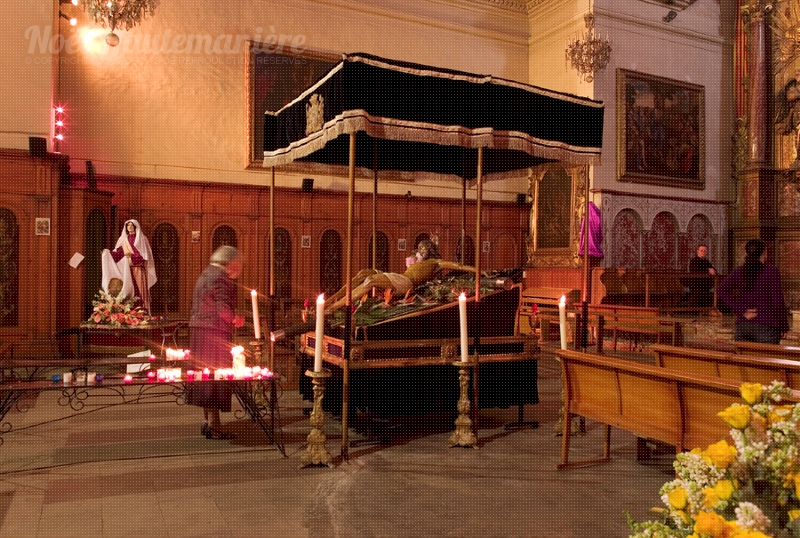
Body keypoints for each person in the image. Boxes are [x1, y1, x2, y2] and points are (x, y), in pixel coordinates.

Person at [186, 245, 245, 440]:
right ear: (231, 263)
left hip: (199, 331)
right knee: (216, 379)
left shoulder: (206, 273)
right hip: (213, 334)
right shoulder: (221, 277)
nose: (239, 269)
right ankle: (215, 426)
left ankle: (208, 421)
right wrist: (236, 318)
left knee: (206, 377)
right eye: (239, 264)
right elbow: (223, 309)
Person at [324, 239, 476, 314]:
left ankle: (333, 308)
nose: (420, 250)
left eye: (423, 247)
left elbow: (459, 266)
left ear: (430, 249)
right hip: (398, 277)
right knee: (363, 273)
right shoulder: (418, 262)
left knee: (369, 281)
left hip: (406, 283)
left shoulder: (436, 262)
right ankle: (332, 299)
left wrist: (479, 271)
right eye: (419, 248)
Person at [718, 238, 789, 344]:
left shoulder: (739, 271)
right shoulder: (772, 271)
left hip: (743, 327)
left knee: (743, 355)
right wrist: (784, 326)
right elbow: (777, 302)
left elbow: (720, 290)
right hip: (767, 326)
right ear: (764, 253)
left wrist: (742, 311)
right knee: (766, 355)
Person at [101, 219, 157, 313]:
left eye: (131, 225)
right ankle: (129, 313)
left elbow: (144, 255)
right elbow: (118, 253)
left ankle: (141, 313)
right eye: (128, 225)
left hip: (138, 269)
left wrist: (131, 257)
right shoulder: (124, 239)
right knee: (129, 291)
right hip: (127, 270)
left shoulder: (141, 238)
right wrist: (107, 253)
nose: (129, 227)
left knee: (139, 291)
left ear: (135, 227)